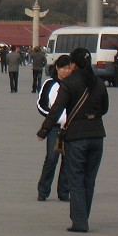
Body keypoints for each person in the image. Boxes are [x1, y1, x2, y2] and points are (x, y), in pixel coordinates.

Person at [38, 47, 109, 233]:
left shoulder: (69, 83)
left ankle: (79, 222)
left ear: (74, 64)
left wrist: (44, 130)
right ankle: (83, 216)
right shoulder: (99, 83)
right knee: (89, 179)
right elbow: (104, 109)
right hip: (97, 135)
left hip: (77, 136)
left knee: (76, 178)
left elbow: (57, 109)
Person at [36, 55, 73, 203]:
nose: (66, 71)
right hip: (55, 128)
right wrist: (53, 117)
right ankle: (43, 191)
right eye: (64, 68)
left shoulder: (74, 84)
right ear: (57, 68)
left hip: (71, 128)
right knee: (52, 159)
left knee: (68, 160)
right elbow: (41, 104)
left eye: (69, 68)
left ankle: (64, 192)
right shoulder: (50, 84)